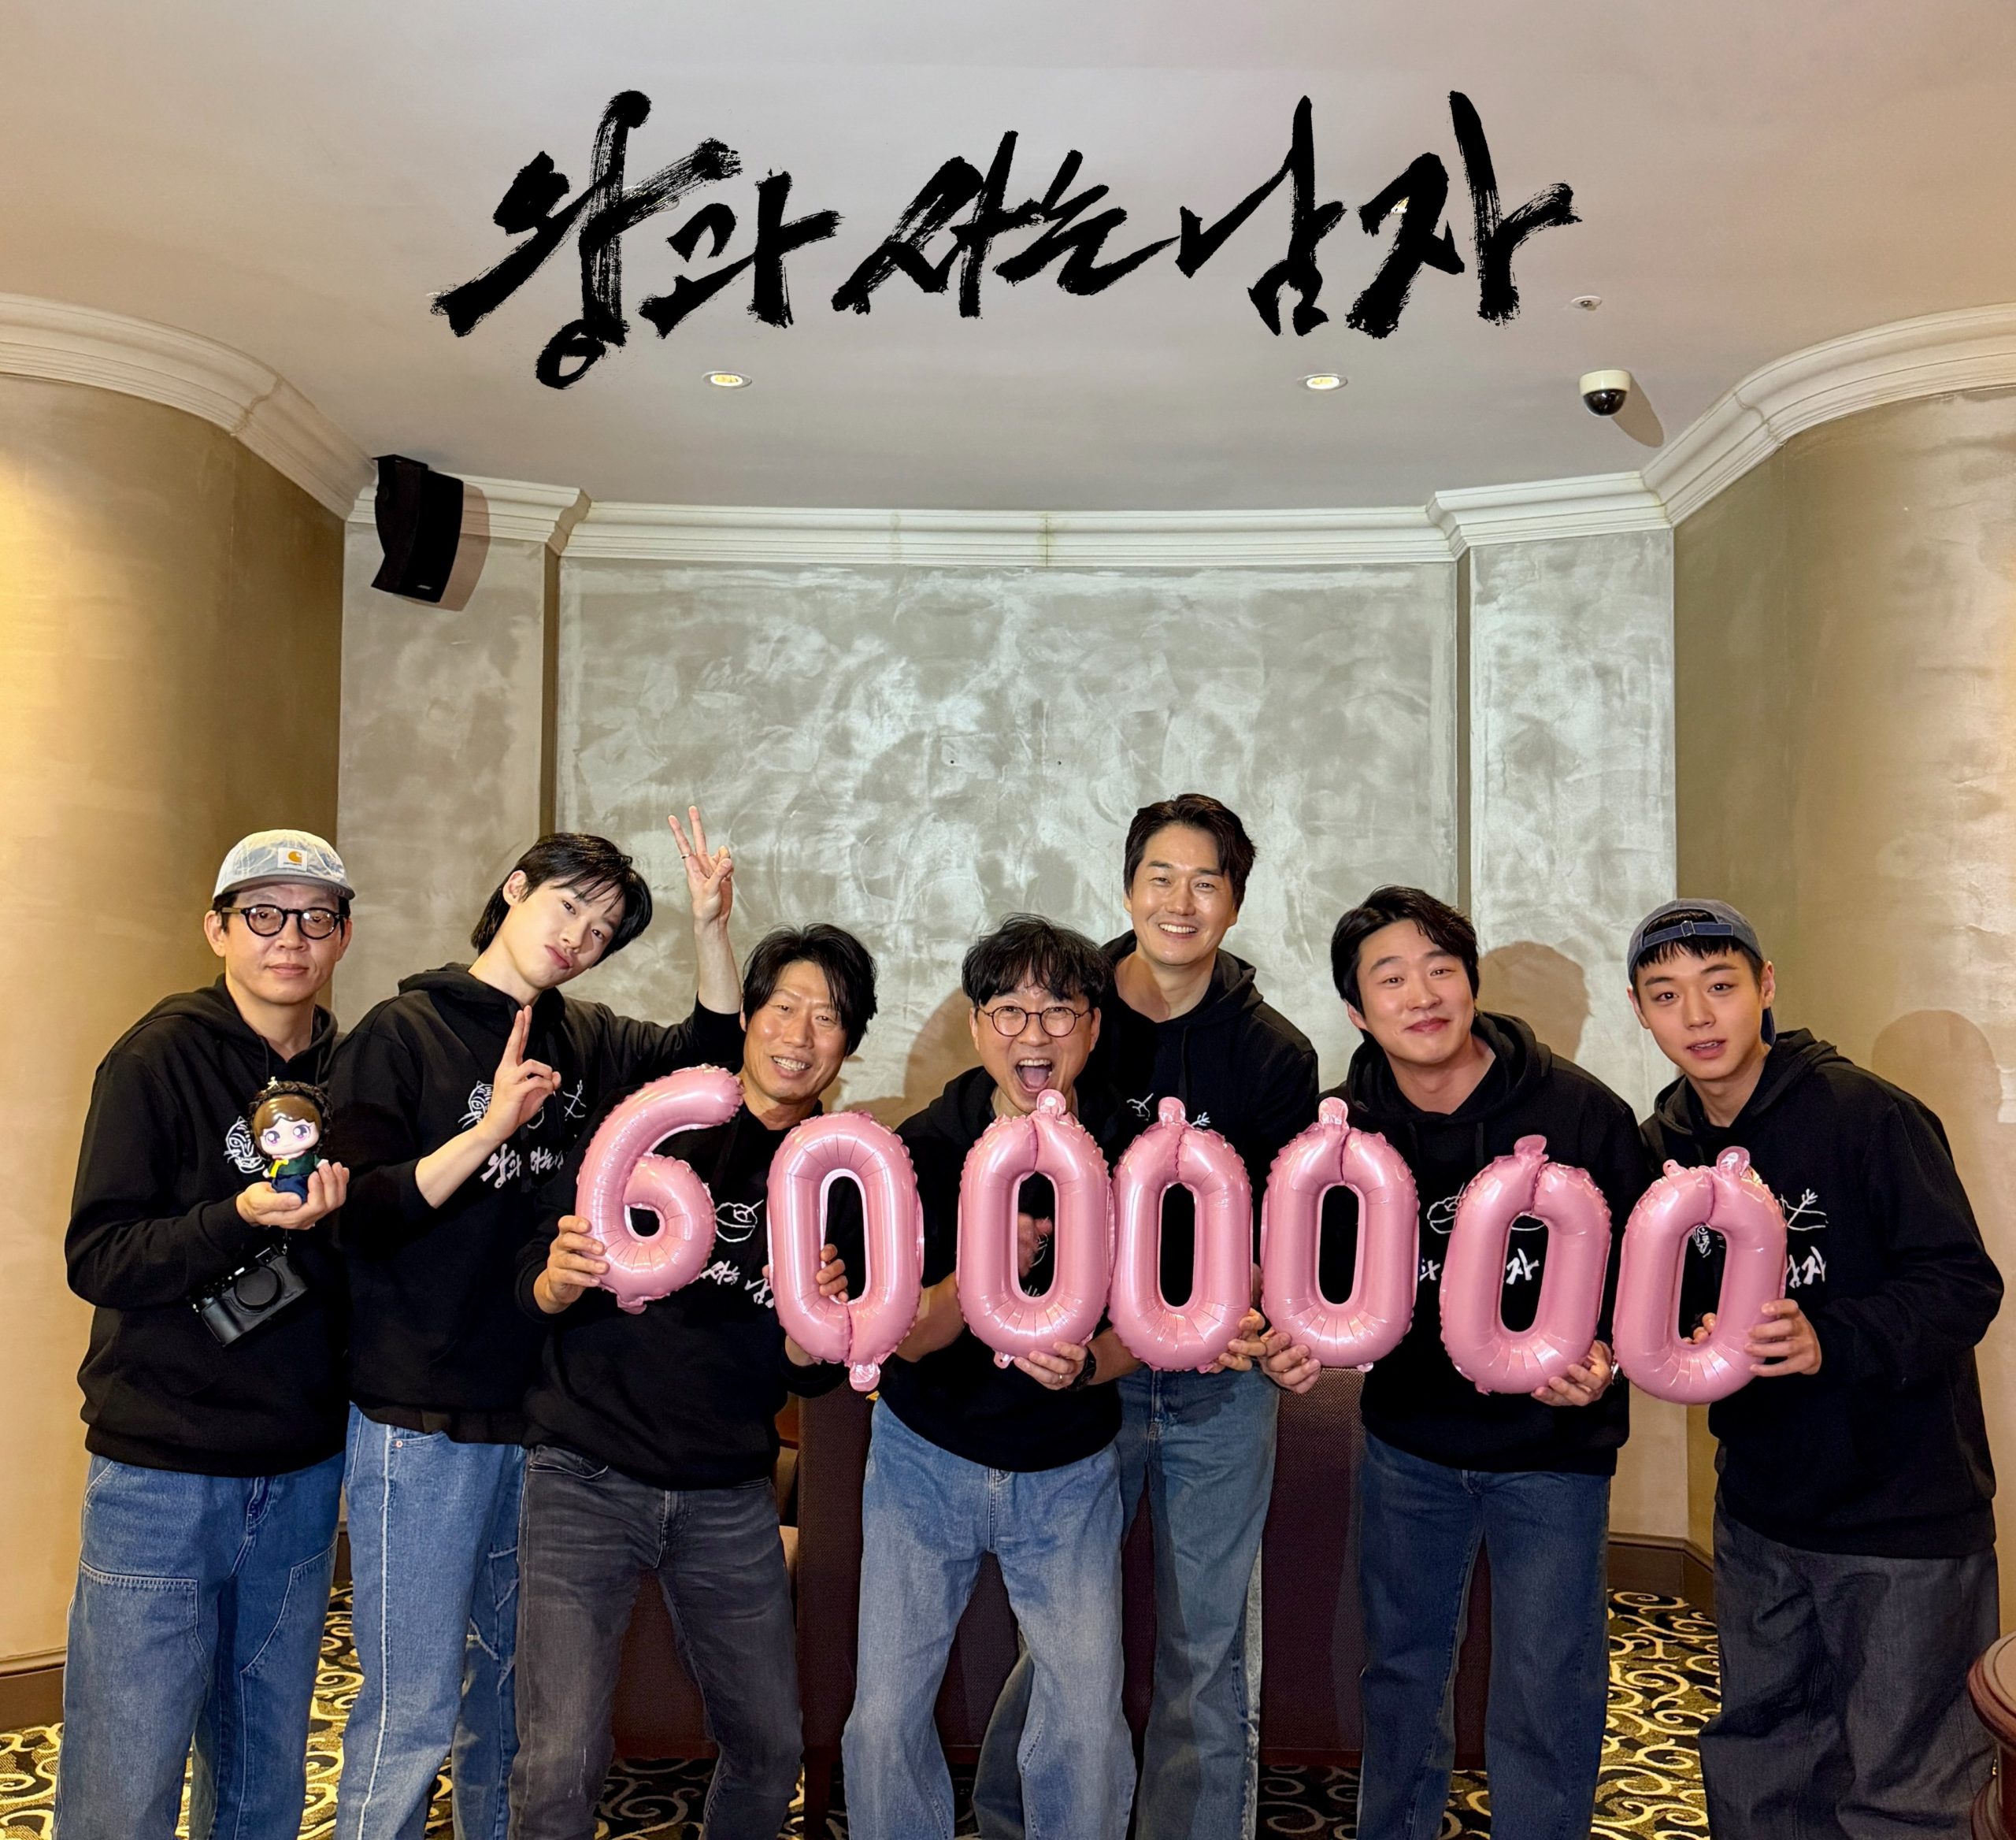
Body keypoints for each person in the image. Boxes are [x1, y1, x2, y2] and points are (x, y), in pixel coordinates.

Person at [328, 814, 742, 1840]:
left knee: (508, 1701)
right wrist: (487, 1131)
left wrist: (711, 927)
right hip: (419, 1420)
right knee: (411, 1706)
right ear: (515, 888)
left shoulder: (582, 1036)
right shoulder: (401, 1031)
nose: (578, 939)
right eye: (569, 907)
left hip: (542, 1424)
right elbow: (362, 1216)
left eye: (601, 933)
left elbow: (709, 1065)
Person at [1263, 885, 1647, 1840]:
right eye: (1390, 976)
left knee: (1548, 1679)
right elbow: (1317, 1276)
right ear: (1357, 1008)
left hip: (1553, 1451)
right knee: (1400, 1671)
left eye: (1440, 968)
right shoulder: (1339, 1133)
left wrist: (1607, 1357)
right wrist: (1287, 1338)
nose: (1422, 993)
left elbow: (1647, 1271)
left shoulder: (1579, 1110)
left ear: (1471, 983)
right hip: (1409, 1447)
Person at [976, 793, 1317, 1839]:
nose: (1181, 900)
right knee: (1059, 1642)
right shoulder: (1067, 1020)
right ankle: (1014, 1821)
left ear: (1235, 902)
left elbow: (1286, 1227)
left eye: (1206, 881)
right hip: (1086, 1380)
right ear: (1127, 890)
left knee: (1205, 1649)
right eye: (1160, 876)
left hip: (1221, 1388)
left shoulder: (1274, 1053)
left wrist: (1260, 1304)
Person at [1629, 899, 2003, 1838]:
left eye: (1719, 984)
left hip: (1902, 1513)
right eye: (1666, 994)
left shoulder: (1866, 1113)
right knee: (1762, 1761)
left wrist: (1828, 1337)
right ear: (1640, 1011)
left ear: (1764, 986)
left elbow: (1962, 1282)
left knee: (1907, 1785)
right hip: (1759, 1507)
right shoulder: (1662, 1145)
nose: (1697, 1014)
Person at [508, 925, 878, 1840]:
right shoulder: (653, 1120)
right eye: (784, 1006)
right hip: (584, 1473)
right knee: (558, 1760)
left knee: (770, 1746)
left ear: (849, 1043)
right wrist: (553, 1279)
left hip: (728, 1491)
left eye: (827, 1017)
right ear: (746, 1015)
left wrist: (814, 1334)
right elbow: (533, 1267)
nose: (799, 1033)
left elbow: (810, 1373)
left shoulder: (840, 1180)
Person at [57, 829, 357, 1840]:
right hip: (161, 1471)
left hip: (301, 1469)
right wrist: (238, 1217)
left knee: (263, 1774)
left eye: (314, 917)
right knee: (124, 1774)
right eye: (262, 914)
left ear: (343, 935)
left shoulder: (356, 1074)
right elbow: (99, 1255)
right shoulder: (156, 1056)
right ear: (217, 929)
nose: (290, 937)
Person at [842, 915, 1139, 1840]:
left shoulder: (1132, 1147)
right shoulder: (923, 1148)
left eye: (1058, 1010)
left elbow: (1149, 1325)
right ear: (978, 1026)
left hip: (1069, 1467)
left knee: (1084, 1721)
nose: (1034, 1033)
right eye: (1009, 1010)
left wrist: (1089, 1363)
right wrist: (982, 1270)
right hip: (925, 1456)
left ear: (1092, 1025)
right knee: (883, 1716)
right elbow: (903, 1341)